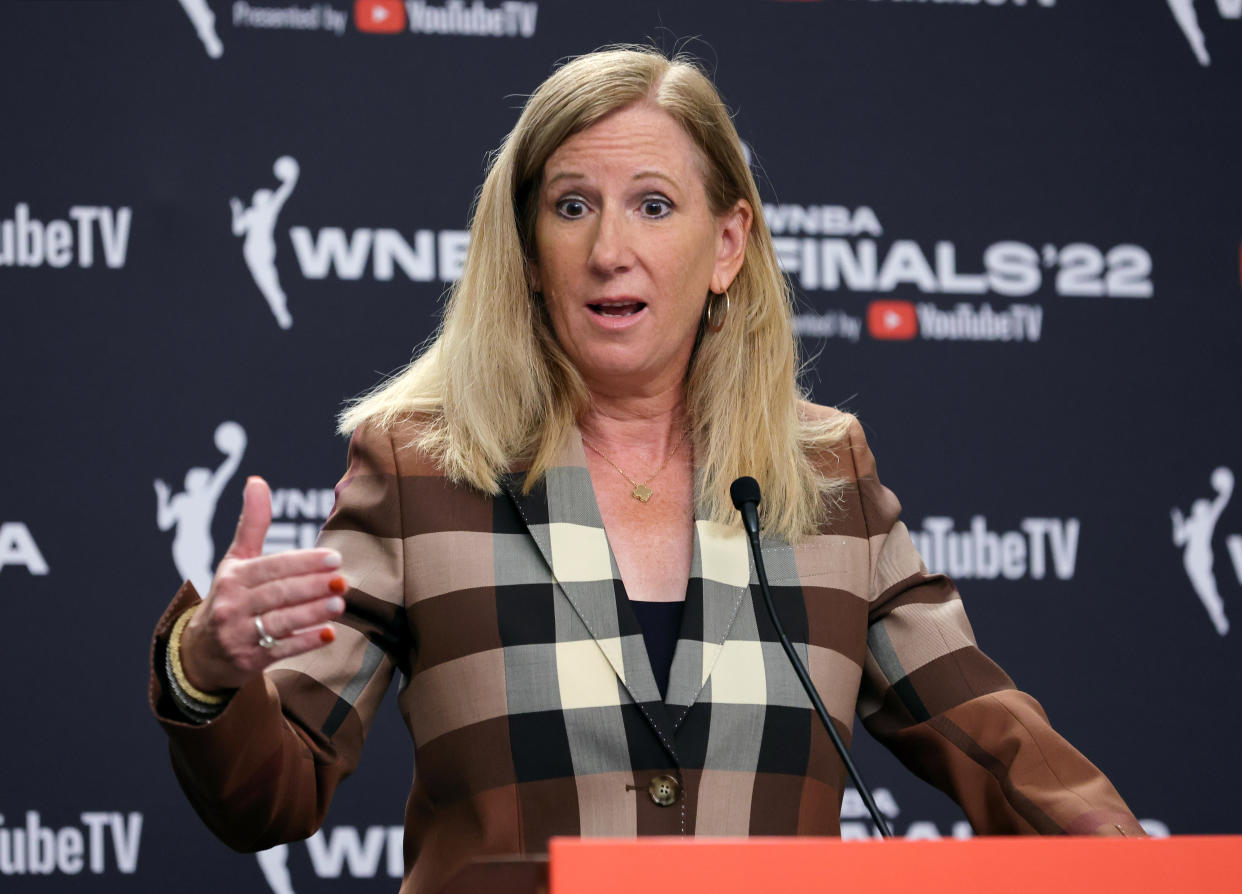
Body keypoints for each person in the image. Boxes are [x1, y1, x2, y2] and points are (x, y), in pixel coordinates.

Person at [150, 46, 1143, 894]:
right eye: (572, 205)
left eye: (654, 205)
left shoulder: (822, 474)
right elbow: (269, 795)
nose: (609, 250)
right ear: (531, 253)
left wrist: (1133, 866)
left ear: (725, 246)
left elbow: (992, 739)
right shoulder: (420, 471)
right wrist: (205, 673)